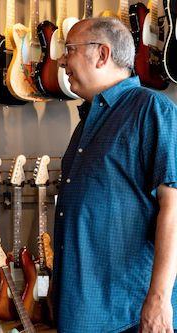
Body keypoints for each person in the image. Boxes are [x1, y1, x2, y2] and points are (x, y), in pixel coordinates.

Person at [54, 17, 177, 333]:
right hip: (81, 308)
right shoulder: (88, 121)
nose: (62, 60)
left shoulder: (151, 108)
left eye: (70, 49)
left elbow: (174, 208)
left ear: (102, 54)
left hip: (128, 312)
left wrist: (159, 299)